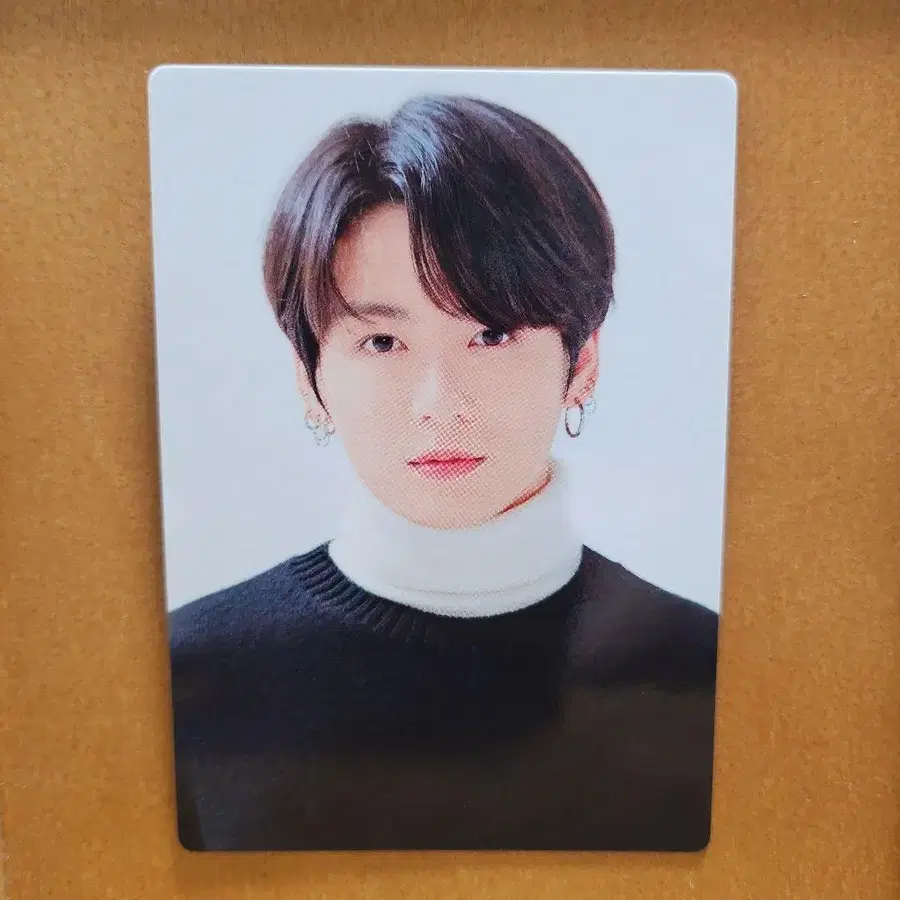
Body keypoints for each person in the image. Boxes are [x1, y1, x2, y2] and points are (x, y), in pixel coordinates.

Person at [168, 94, 719, 852]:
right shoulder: (187, 673)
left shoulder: (708, 671)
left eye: (491, 334)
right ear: (309, 376)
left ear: (582, 361)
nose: (440, 405)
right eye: (382, 343)